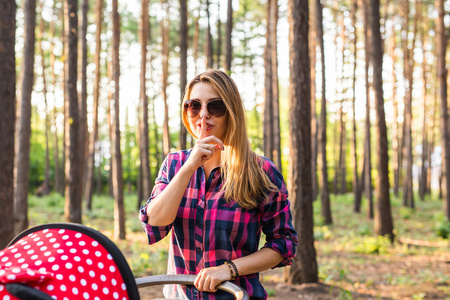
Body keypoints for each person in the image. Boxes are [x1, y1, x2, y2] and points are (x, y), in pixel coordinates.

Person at [139, 69, 298, 300]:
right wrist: (189, 167)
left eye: (215, 106)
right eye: (194, 105)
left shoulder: (262, 172)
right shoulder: (174, 165)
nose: (203, 115)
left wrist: (229, 269)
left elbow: (284, 244)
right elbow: (154, 225)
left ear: (231, 111)